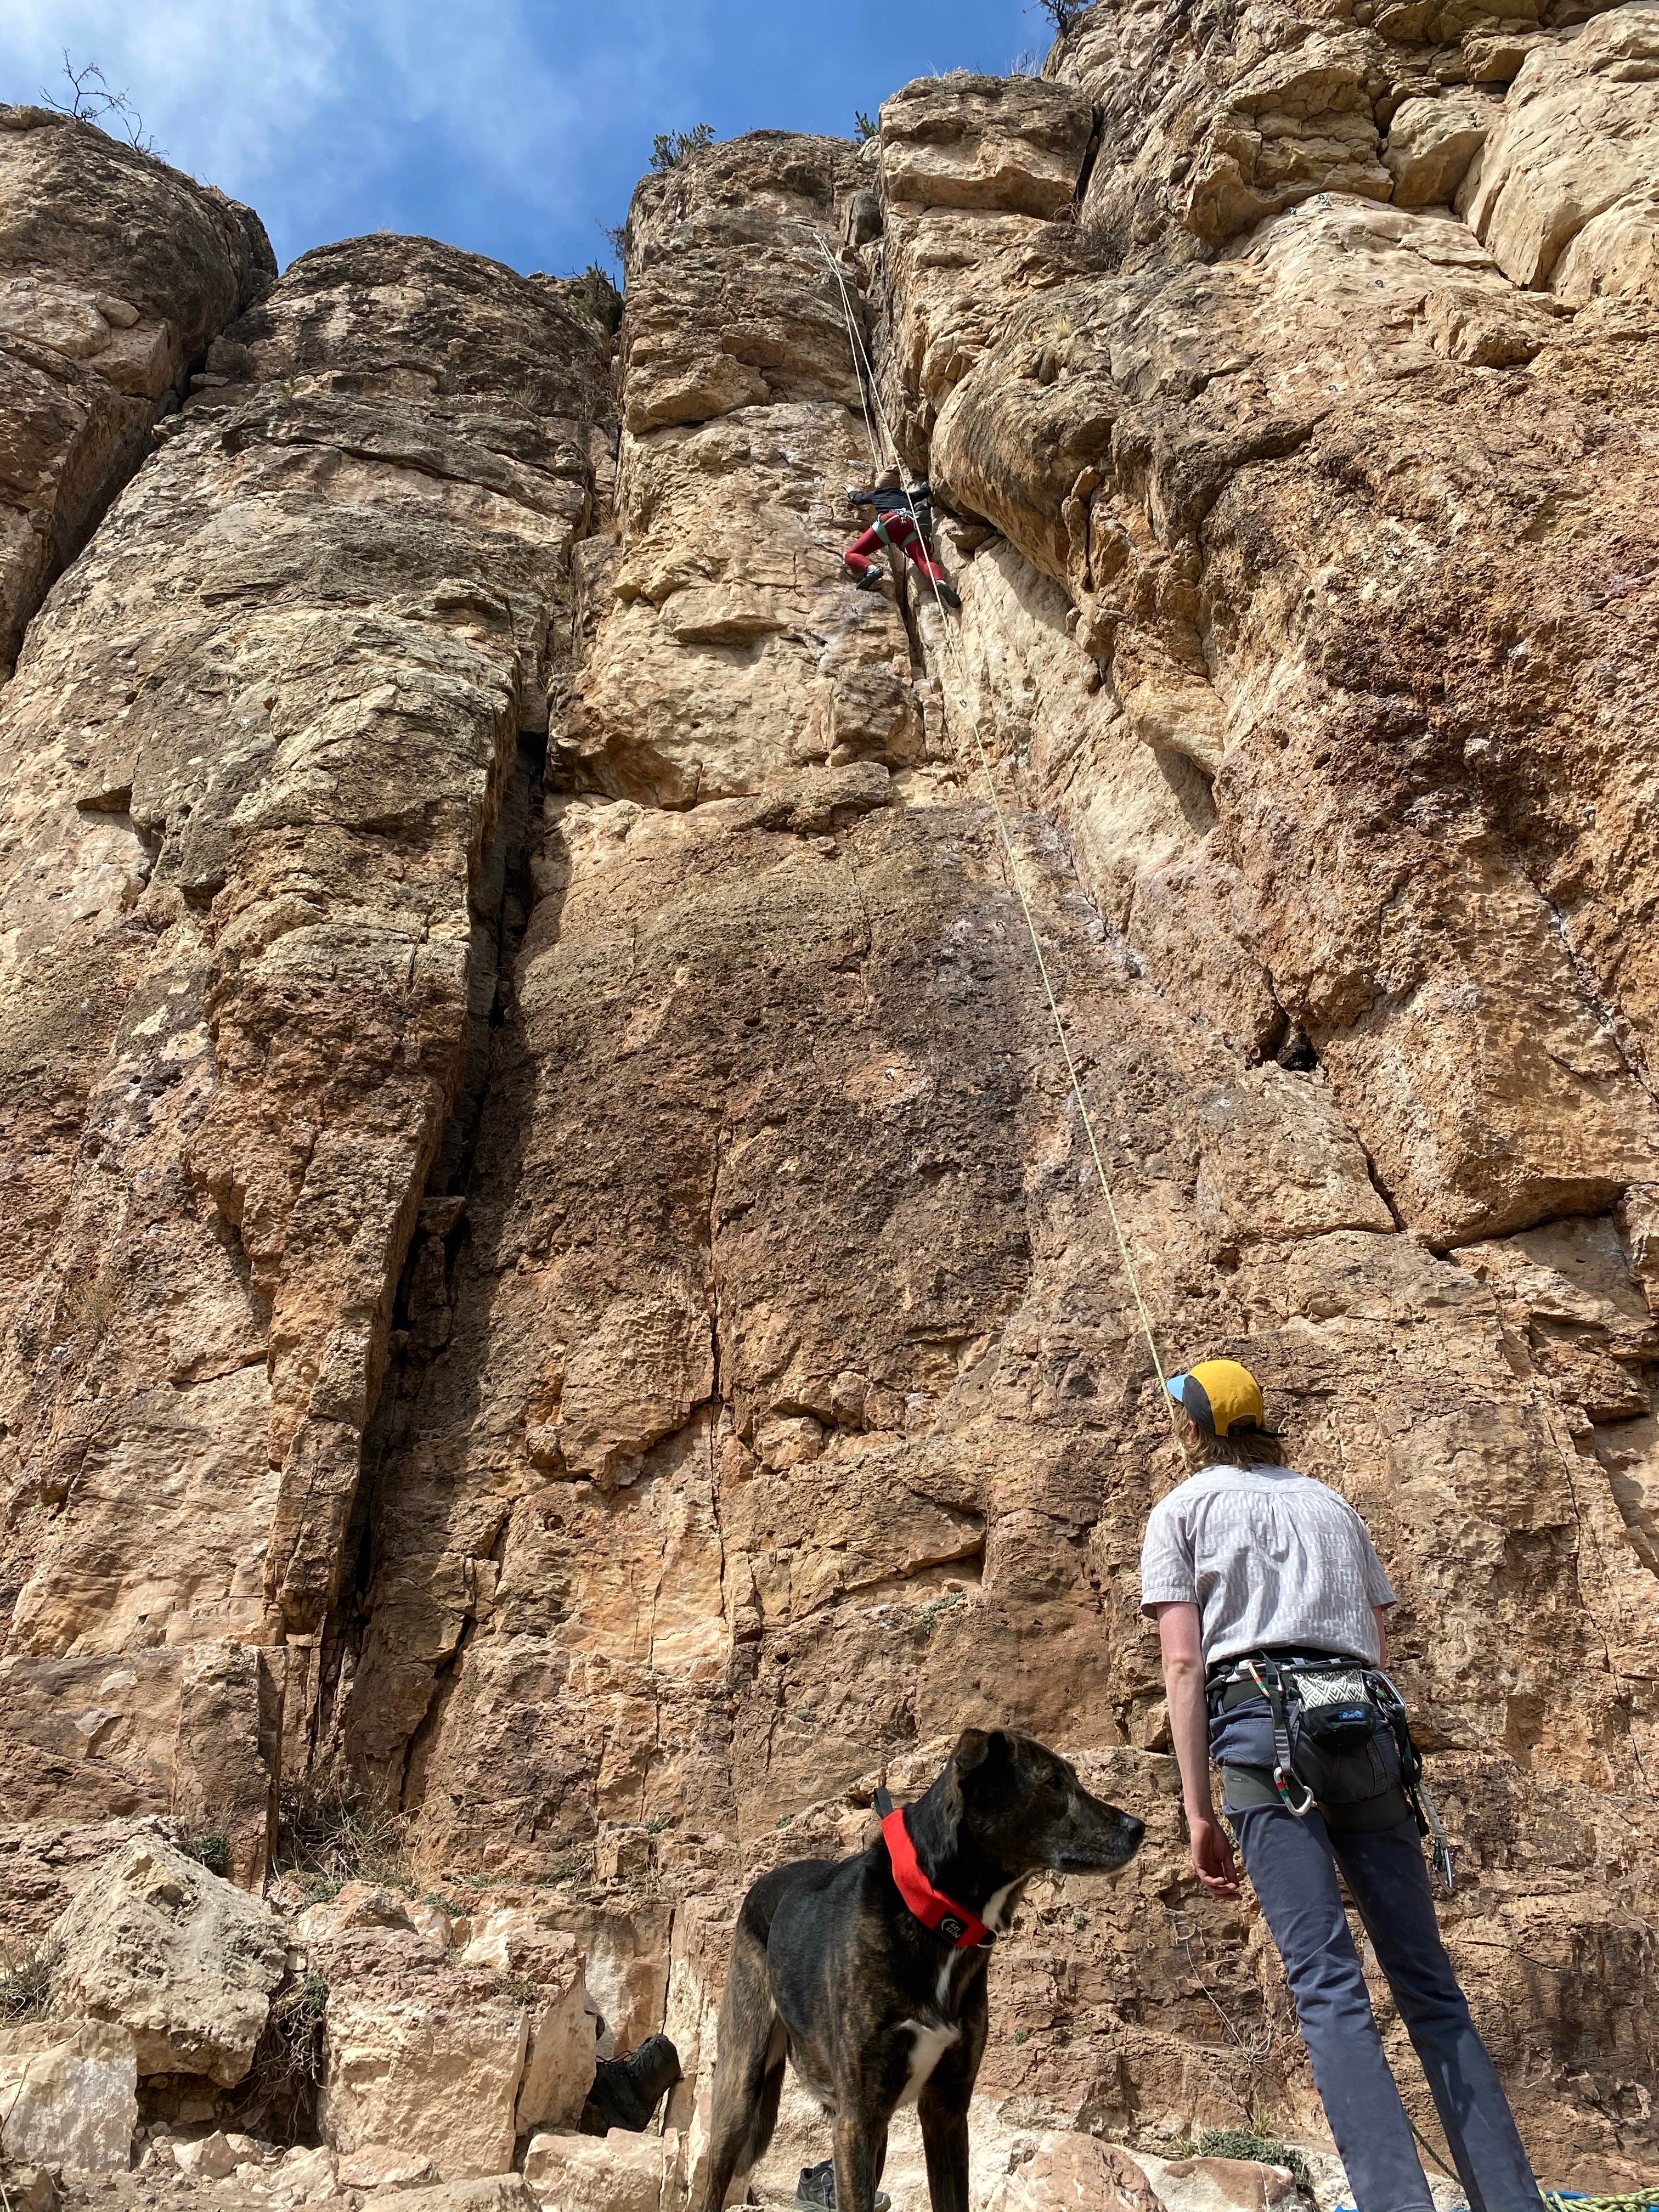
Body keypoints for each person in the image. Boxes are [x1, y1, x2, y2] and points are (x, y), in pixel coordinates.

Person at [1139, 1357, 1540, 2212]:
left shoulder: (1183, 1509)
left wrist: (1198, 1809)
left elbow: (1183, 1664)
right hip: (1361, 1727)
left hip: (1262, 1732)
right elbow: (1375, 1638)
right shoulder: (1331, 1505)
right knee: (1429, 1983)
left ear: (1192, 1429)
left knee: (1327, 1983)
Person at [843, 469, 960, 608]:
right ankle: (940, 582)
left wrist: (851, 491)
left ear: (881, 485)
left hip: (888, 523)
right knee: (925, 562)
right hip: (909, 525)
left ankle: (872, 569)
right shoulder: (906, 496)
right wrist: (925, 483)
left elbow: (857, 499)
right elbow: (924, 492)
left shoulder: (876, 494)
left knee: (851, 555)